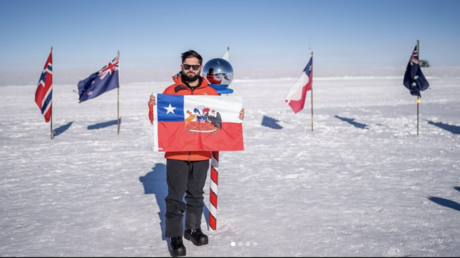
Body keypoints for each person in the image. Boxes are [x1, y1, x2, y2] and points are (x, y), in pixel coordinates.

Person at [148, 50, 244, 257]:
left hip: (202, 153)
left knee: (196, 193)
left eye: (194, 66)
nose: (190, 70)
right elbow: (158, 122)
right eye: (187, 66)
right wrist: (152, 108)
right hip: (176, 153)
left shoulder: (210, 93)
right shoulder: (171, 91)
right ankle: (174, 236)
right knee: (175, 196)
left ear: (201, 68)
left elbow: (221, 118)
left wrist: (236, 115)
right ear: (181, 67)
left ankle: (192, 229)